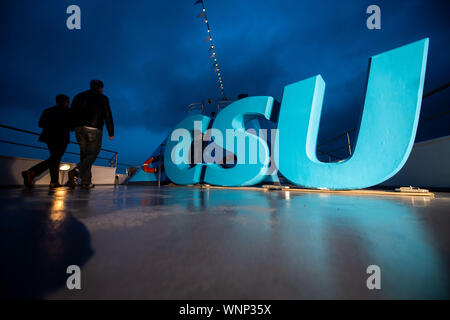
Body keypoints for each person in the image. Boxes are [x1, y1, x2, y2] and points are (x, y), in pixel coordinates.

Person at [68, 80, 114, 189]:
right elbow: (107, 115)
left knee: (84, 155)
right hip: (94, 129)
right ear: (100, 88)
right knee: (93, 154)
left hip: (79, 128)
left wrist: (71, 126)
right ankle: (77, 170)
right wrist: (111, 132)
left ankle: (86, 182)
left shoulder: (79, 96)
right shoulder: (103, 98)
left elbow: (72, 113)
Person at [22, 94, 71, 188]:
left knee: (55, 158)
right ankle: (32, 172)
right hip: (61, 137)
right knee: (55, 158)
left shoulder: (48, 111)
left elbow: (41, 124)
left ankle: (54, 182)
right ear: (66, 102)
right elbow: (72, 125)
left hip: (49, 137)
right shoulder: (67, 111)